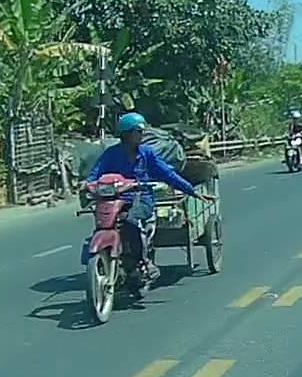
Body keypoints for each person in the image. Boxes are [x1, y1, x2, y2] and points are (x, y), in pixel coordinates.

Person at [86, 112, 215, 287]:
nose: (141, 135)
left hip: (141, 198)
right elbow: (95, 174)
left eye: (142, 132)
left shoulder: (147, 153)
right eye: (138, 132)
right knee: (103, 221)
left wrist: (192, 191)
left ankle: (142, 261)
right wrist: (87, 184)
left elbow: (167, 174)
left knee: (131, 221)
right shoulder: (111, 154)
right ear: (126, 134)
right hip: (114, 198)